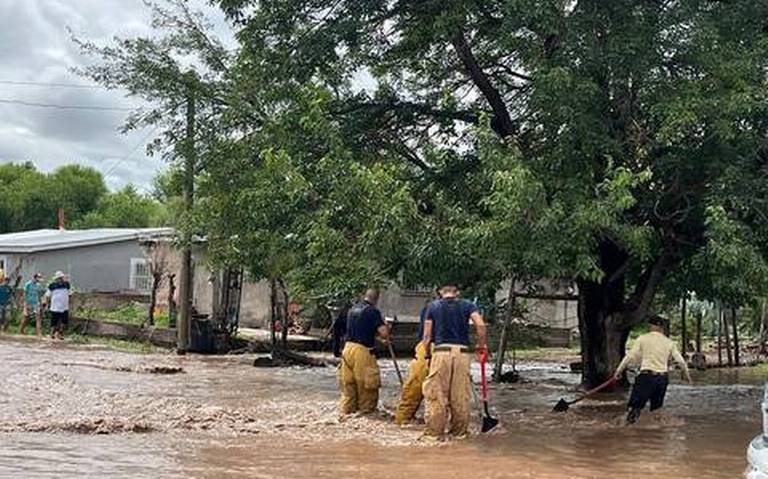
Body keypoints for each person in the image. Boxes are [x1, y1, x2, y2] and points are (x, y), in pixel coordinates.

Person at [420, 283, 487, 439]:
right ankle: (459, 433)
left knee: (436, 394)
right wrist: (481, 346)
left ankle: (434, 435)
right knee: (460, 395)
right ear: (457, 292)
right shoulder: (468, 305)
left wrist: (428, 356)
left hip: (441, 352)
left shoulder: (432, 307)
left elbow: (426, 337)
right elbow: (481, 326)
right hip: (462, 353)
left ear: (440, 292)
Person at [613, 314, 693, 425]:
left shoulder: (643, 339)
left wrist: (618, 372)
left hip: (646, 377)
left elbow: (629, 357)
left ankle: (625, 431)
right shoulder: (669, 342)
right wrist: (687, 377)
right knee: (656, 410)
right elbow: (681, 362)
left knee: (634, 408)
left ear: (650, 325)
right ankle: (658, 435)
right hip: (662, 379)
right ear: (661, 327)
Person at [338, 288, 391, 416]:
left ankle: (347, 412)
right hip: (362, 352)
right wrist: (388, 325)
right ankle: (367, 413)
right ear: (377, 299)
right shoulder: (373, 311)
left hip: (347, 349)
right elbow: (384, 333)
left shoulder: (352, 309)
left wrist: (376, 338)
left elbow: (360, 330)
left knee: (349, 385)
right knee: (367, 385)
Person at [395, 292, 439, 425]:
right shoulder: (435, 308)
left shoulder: (429, 307)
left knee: (417, 386)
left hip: (430, 348)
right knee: (420, 386)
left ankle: (404, 419)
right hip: (433, 348)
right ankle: (406, 419)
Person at [45, 271, 72, 340]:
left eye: (61, 278)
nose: (60, 279)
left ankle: (59, 333)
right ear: (56, 279)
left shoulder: (67, 285)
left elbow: (70, 294)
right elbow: (47, 296)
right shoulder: (52, 286)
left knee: (64, 321)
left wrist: (70, 303)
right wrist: (47, 304)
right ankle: (52, 334)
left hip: (64, 307)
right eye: (59, 278)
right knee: (54, 321)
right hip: (55, 307)